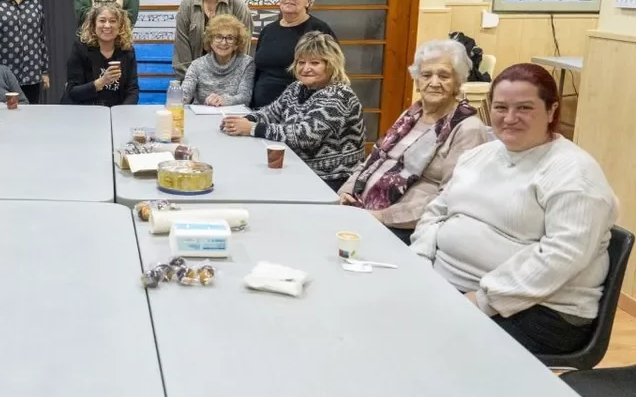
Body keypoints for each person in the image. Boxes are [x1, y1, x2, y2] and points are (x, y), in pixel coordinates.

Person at [411, 63, 618, 355]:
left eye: (524, 108)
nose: (509, 118)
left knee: (416, 342)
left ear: (551, 111)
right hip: (452, 285)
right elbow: (437, 212)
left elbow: (562, 256)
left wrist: (482, 300)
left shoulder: (575, 174)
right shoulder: (479, 155)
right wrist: (419, 261)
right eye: (500, 107)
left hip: (539, 310)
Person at [338, 40, 491, 243]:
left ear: (458, 81)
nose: (434, 82)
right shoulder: (411, 115)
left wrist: (383, 216)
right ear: (417, 81)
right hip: (363, 210)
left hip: (405, 228)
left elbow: (451, 198)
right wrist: (346, 191)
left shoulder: (468, 128)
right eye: (426, 75)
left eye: (444, 76)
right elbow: (374, 158)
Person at [222, 31, 364, 190]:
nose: (306, 68)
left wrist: (252, 128)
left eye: (315, 63)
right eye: (301, 62)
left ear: (331, 65)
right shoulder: (297, 87)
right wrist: (244, 120)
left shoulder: (339, 95)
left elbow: (305, 136)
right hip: (298, 168)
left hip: (331, 178)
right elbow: (271, 113)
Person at [251, 0, 337, 108]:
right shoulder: (268, 30)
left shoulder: (319, 30)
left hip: (299, 109)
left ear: (308, 1)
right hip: (260, 109)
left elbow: (332, 72)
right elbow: (258, 71)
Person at [172, 0, 254, 79]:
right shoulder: (187, 5)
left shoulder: (237, 5)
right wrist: (191, 80)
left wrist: (228, 81)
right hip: (192, 78)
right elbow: (181, 50)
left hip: (228, 80)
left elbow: (243, 47)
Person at [64, 2, 139, 107]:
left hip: (116, 111)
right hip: (84, 110)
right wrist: (102, 82)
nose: (107, 25)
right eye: (102, 21)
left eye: (113, 21)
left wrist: (122, 112)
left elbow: (132, 90)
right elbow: (73, 92)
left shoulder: (127, 50)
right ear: (94, 24)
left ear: (120, 26)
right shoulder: (80, 48)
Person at [181, 14, 255, 107]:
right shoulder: (197, 65)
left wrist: (224, 100)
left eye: (230, 38)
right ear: (210, 41)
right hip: (200, 114)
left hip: (233, 114)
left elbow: (245, 97)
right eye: (218, 37)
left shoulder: (247, 64)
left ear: (236, 44)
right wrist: (179, 99)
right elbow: (185, 93)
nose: (223, 43)